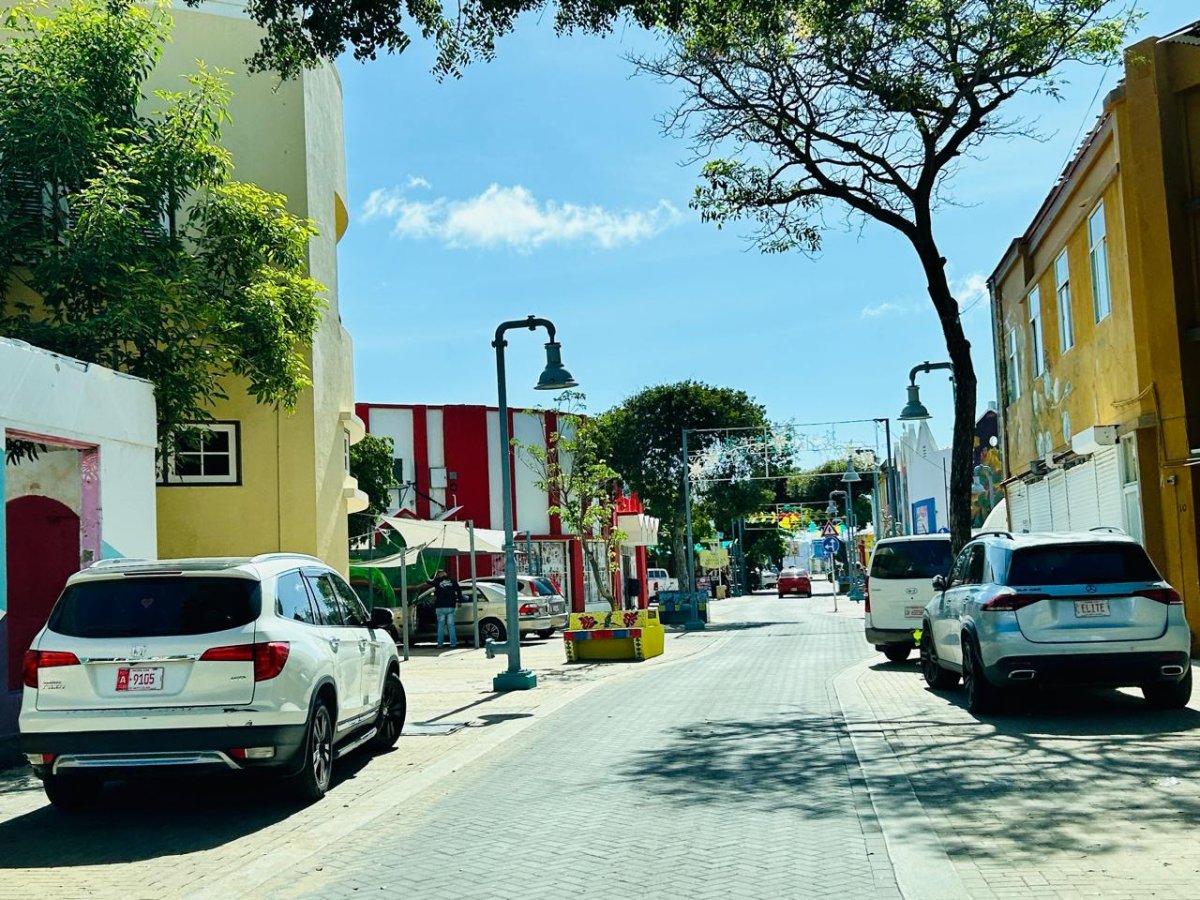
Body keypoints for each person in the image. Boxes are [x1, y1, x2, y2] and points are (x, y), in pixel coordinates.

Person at [429, 568, 464, 649]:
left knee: (440, 626)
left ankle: (440, 644)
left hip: (440, 606)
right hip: (451, 606)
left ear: (440, 574)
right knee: (451, 626)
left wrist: (434, 575)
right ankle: (453, 644)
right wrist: (459, 601)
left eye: (439, 573)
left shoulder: (437, 581)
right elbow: (459, 591)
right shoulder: (452, 581)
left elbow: (429, 580)